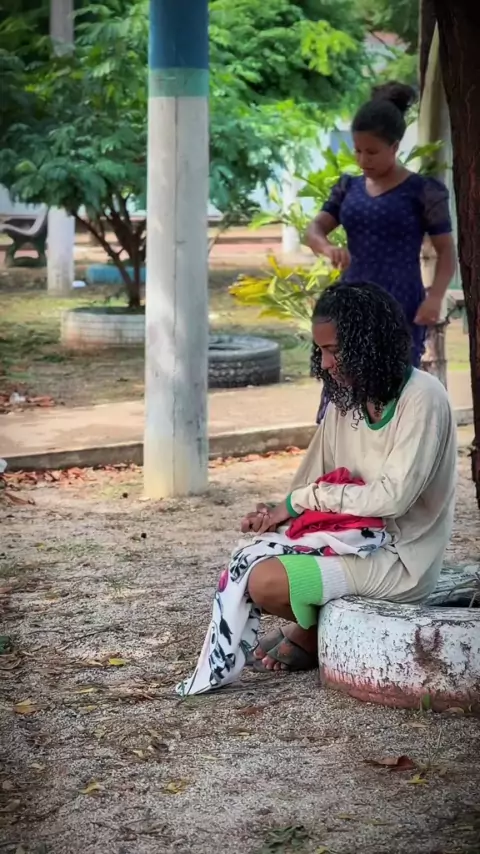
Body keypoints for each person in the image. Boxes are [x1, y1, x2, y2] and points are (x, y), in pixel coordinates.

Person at [178, 283, 457, 692]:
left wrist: (300, 500)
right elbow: (309, 482)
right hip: (348, 541)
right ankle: (316, 630)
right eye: (321, 351)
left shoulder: (423, 398)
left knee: (264, 582)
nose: (325, 363)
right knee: (249, 557)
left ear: (369, 344)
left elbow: (392, 498)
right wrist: (275, 515)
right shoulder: (346, 399)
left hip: (399, 560)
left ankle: (310, 634)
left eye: (335, 350)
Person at [306, 82, 456, 420]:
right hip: (350, 303)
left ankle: (390, 450)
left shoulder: (423, 192)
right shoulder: (348, 187)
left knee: (390, 390)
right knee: (341, 383)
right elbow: (313, 231)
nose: (362, 160)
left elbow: (447, 251)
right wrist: (327, 247)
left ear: (395, 146)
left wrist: (435, 297)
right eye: (357, 151)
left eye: (371, 152)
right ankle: (339, 451)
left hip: (400, 302)